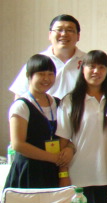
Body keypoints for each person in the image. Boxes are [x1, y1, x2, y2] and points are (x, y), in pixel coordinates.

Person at [56, 50, 107, 203]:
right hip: (79, 176)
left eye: (102, 67)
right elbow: (63, 141)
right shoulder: (70, 101)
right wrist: (63, 173)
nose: (97, 71)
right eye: (92, 66)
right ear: (83, 69)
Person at [5, 54, 73, 189]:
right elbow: (18, 144)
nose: (46, 79)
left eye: (50, 74)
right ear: (29, 76)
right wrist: (54, 158)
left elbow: (66, 136)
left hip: (52, 172)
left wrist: (70, 148)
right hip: (28, 172)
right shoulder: (21, 105)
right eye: (41, 74)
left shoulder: (58, 103)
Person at [9, 14, 86, 99]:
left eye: (70, 30)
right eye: (59, 30)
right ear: (50, 35)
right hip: (44, 108)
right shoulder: (38, 62)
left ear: (78, 36)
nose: (64, 34)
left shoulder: (88, 61)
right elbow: (20, 95)